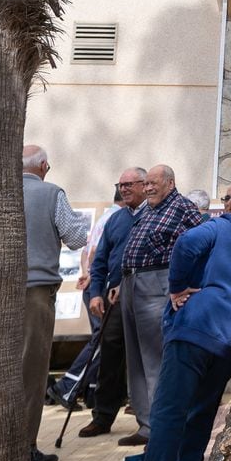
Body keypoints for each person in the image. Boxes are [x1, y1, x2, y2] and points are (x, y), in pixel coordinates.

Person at [127, 178, 231, 461]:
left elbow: (185, 243)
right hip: (230, 337)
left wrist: (178, 286)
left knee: (169, 408)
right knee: (202, 409)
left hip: (196, 327)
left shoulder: (220, 227)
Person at [119, 164, 202, 448]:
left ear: (170, 182)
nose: (149, 187)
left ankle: (163, 429)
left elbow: (200, 244)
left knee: (155, 359)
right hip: (131, 284)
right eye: (147, 183)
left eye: (154, 183)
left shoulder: (183, 207)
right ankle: (146, 425)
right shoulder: (150, 209)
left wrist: (183, 284)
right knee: (136, 360)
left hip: (157, 285)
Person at [22, 144, 89, 461]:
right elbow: (76, 237)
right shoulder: (50, 193)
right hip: (35, 291)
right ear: (44, 166)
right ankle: (25, 447)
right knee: (32, 370)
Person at [72, 166, 146, 437]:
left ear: (144, 185)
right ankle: (103, 416)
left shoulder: (153, 216)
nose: (124, 189)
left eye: (130, 184)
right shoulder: (115, 221)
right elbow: (99, 260)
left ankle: (147, 420)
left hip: (145, 297)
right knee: (110, 356)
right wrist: (95, 295)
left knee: (144, 357)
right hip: (113, 298)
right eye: (121, 185)